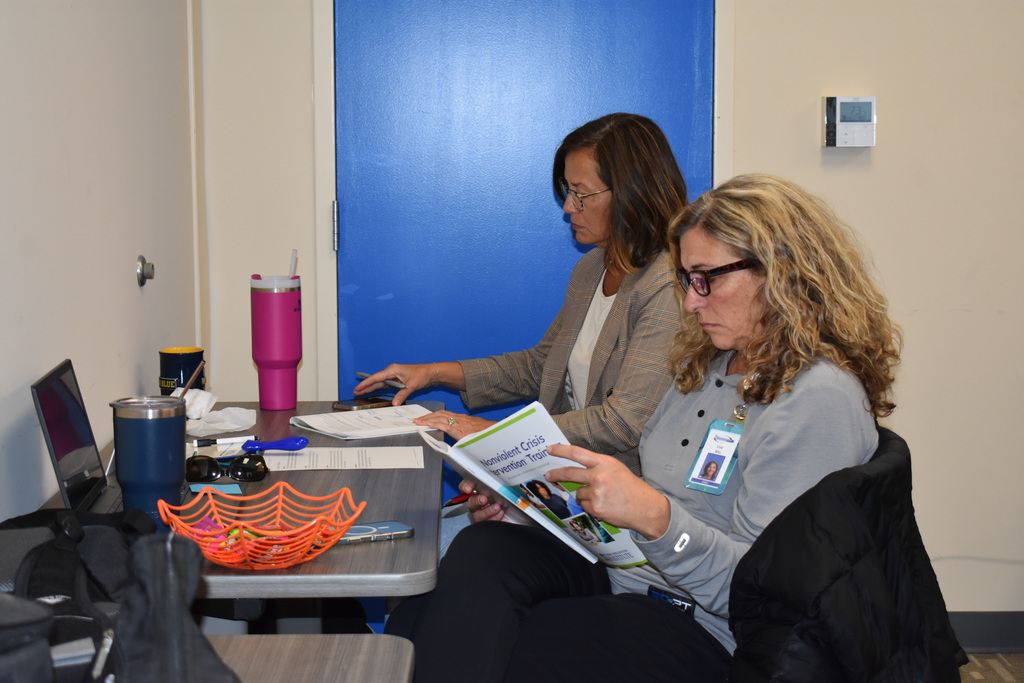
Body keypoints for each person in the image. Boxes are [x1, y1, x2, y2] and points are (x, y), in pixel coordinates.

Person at [384, 174, 902, 683]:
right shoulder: (711, 364)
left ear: (782, 272)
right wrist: (532, 504)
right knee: (479, 557)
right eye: (688, 279)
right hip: (631, 569)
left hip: (710, 627)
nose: (692, 301)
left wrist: (658, 519)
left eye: (707, 278)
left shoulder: (816, 400)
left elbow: (760, 595)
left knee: (520, 641)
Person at [354, 113, 689, 477]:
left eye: (581, 194)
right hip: (569, 474)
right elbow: (541, 368)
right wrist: (432, 373)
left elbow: (622, 422)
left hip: (630, 487)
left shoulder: (667, 286)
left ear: (631, 193)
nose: (568, 207)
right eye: (568, 191)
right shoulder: (592, 268)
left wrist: (495, 435)